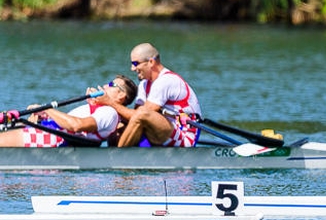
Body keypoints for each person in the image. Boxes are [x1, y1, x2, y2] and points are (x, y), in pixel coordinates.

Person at [0, 76, 138, 147]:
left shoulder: (109, 113)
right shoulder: (100, 109)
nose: (104, 86)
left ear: (121, 95)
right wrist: (43, 116)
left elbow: (76, 126)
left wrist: (47, 109)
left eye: (110, 84)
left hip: (54, 139)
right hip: (49, 130)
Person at [112, 43, 204, 147]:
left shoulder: (166, 80)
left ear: (151, 62)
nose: (132, 68)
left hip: (184, 136)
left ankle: (118, 157)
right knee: (118, 124)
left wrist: (110, 103)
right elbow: (133, 118)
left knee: (143, 113)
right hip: (164, 131)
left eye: (135, 63)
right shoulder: (144, 84)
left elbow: (140, 115)